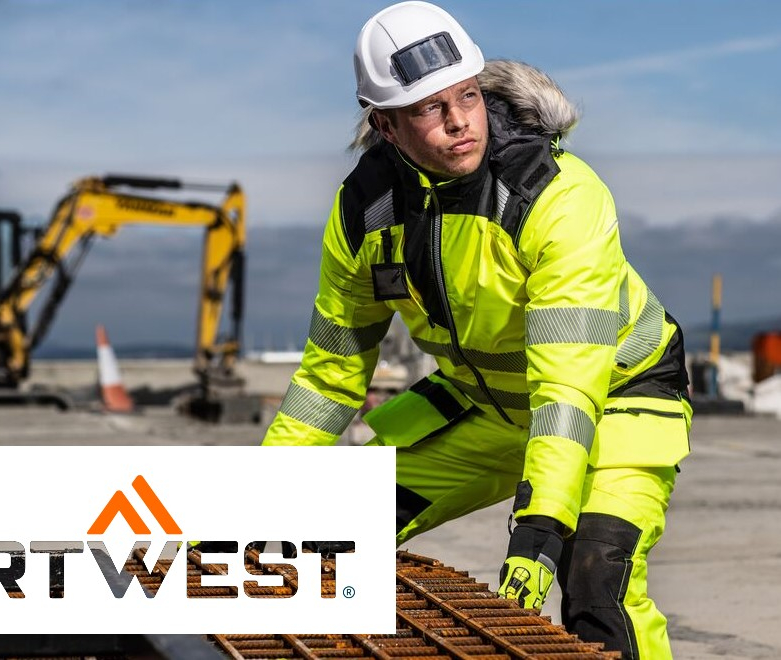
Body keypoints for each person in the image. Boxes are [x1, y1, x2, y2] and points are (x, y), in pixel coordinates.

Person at [261, 2, 692, 658]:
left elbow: (566, 389)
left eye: (466, 95)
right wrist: (254, 505)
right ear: (386, 123)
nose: (460, 121)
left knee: (598, 586)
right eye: (430, 108)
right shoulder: (366, 216)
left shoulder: (556, 197)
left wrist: (539, 533)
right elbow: (329, 379)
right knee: (331, 528)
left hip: (615, 402)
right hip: (487, 408)